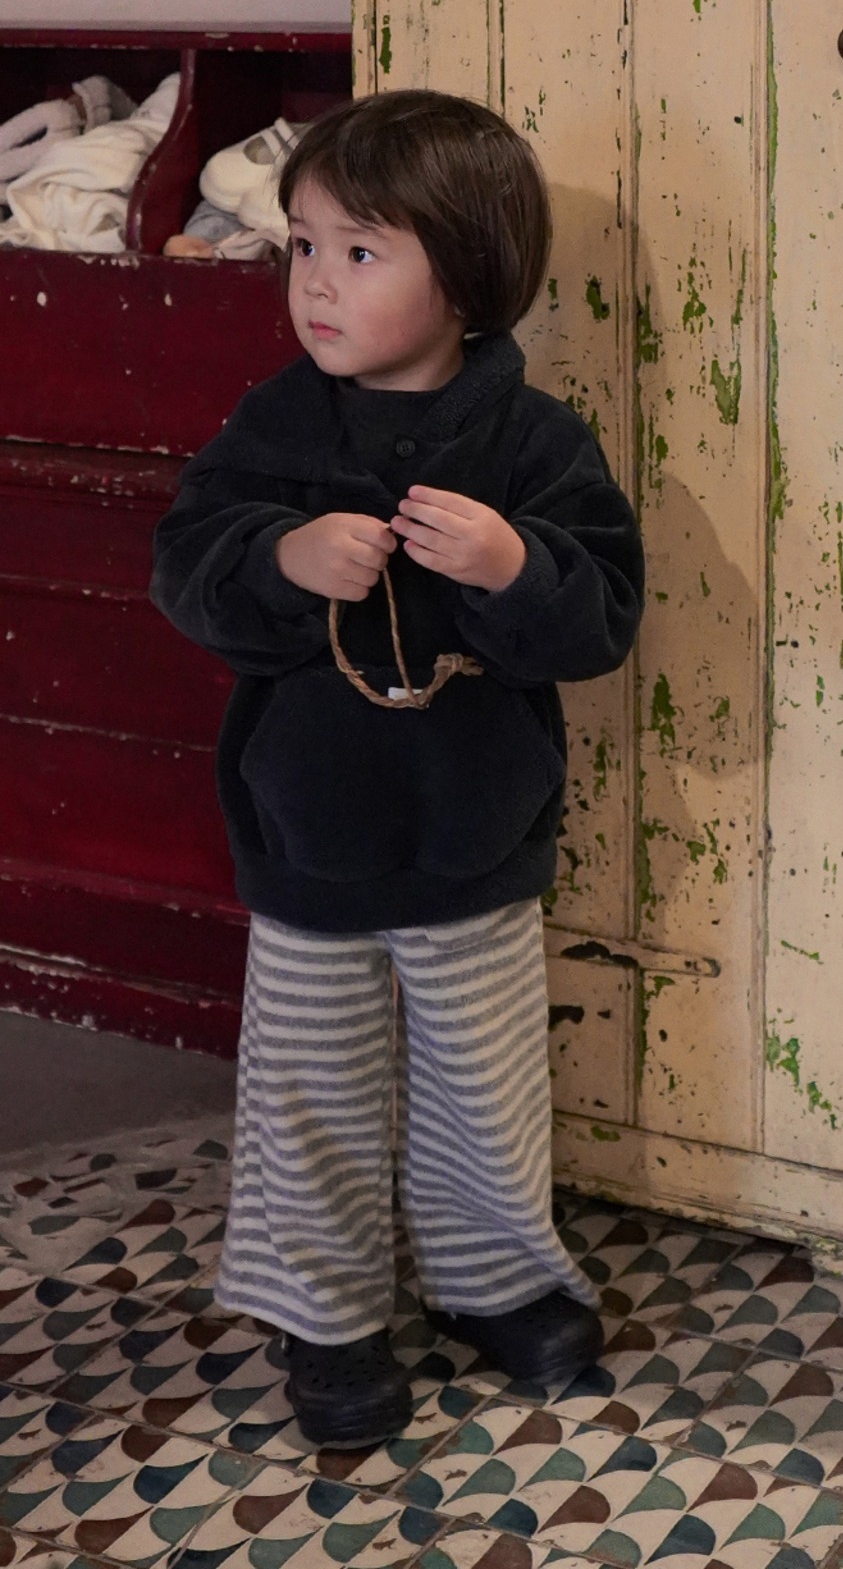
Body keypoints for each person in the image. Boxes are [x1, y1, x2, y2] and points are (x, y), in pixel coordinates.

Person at [151, 90, 644, 1450]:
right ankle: (327, 1312)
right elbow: (187, 571)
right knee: (311, 1089)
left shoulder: (537, 443)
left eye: (359, 252)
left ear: (466, 280)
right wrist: (281, 558)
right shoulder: (276, 424)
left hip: (476, 833)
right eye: (304, 246)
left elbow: (602, 620)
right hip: (308, 834)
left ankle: (494, 1282)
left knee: (484, 1083)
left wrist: (513, 565)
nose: (314, 282)